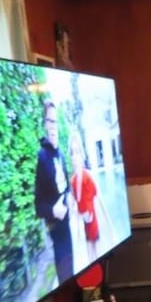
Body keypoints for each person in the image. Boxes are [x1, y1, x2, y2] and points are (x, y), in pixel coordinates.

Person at [34, 100, 73, 285]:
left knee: (73, 273)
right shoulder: (42, 157)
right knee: (66, 278)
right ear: (44, 124)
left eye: (55, 122)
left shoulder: (60, 154)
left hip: (68, 225)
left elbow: (65, 184)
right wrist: (53, 211)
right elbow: (38, 206)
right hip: (57, 231)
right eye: (49, 121)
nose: (53, 126)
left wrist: (70, 195)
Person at [69, 130, 102, 262]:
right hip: (85, 225)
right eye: (72, 153)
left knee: (97, 254)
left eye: (77, 152)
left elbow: (97, 198)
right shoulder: (73, 181)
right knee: (90, 257)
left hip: (93, 223)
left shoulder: (88, 177)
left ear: (82, 155)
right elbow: (75, 204)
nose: (75, 157)